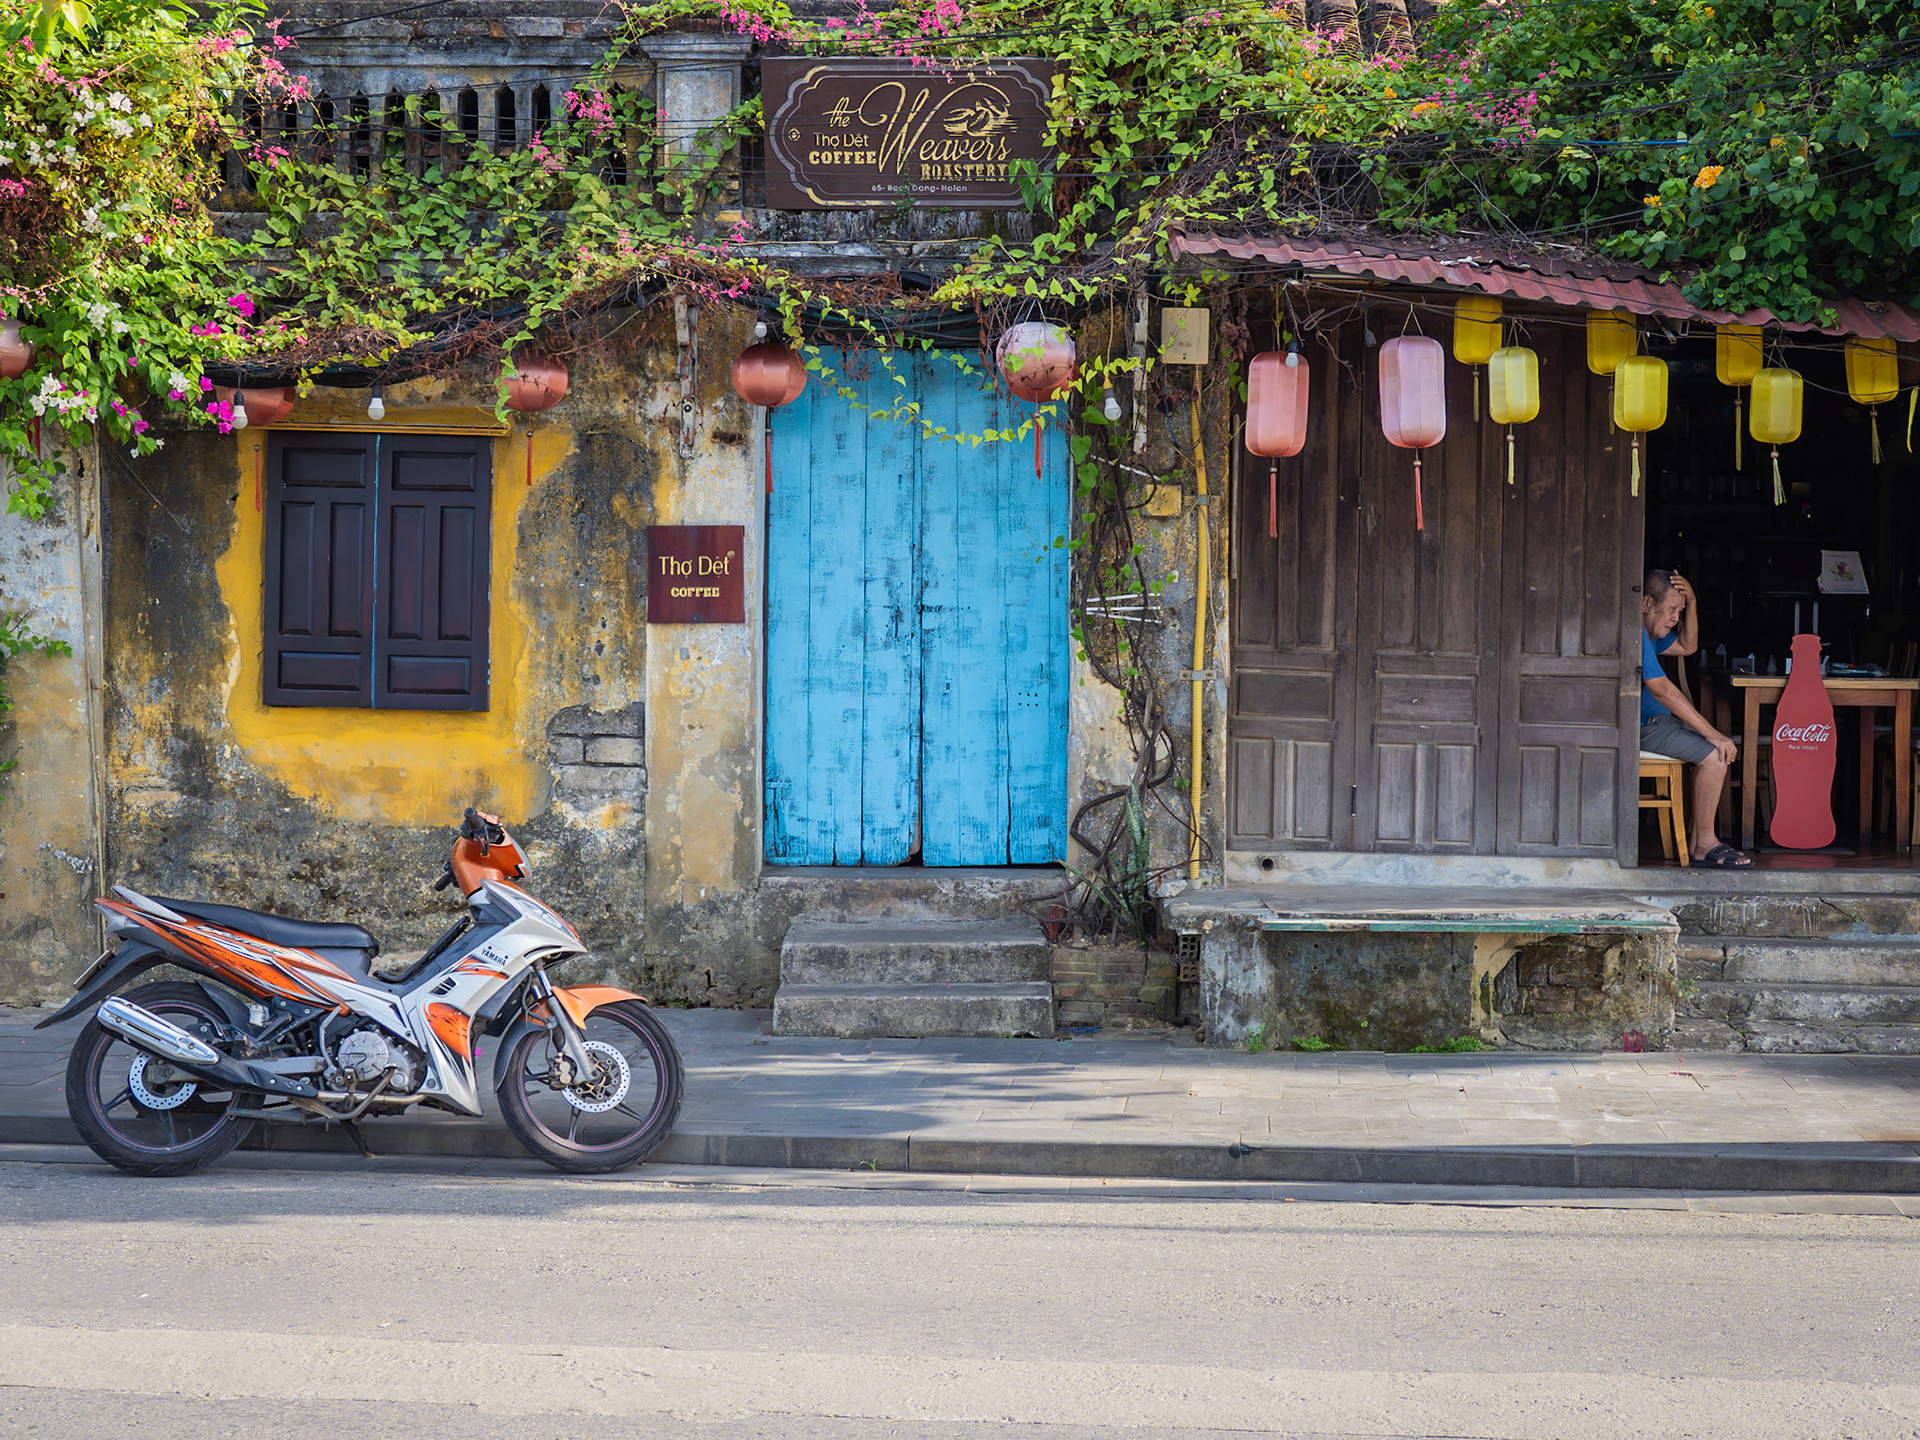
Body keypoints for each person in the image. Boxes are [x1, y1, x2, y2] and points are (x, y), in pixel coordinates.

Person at [1640, 568, 1750, 866]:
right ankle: (1704, 844)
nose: (1676, 617)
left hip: (1660, 725)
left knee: (1713, 750)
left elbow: (1688, 646)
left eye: (1680, 610)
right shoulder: (1635, 633)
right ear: (1646, 603)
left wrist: (1693, 603)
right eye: (1672, 609)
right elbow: (1662, 689)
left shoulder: (1651, 634)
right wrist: (1711, 732)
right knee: (1716, 755)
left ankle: (1701, 841)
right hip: (1646, 728)